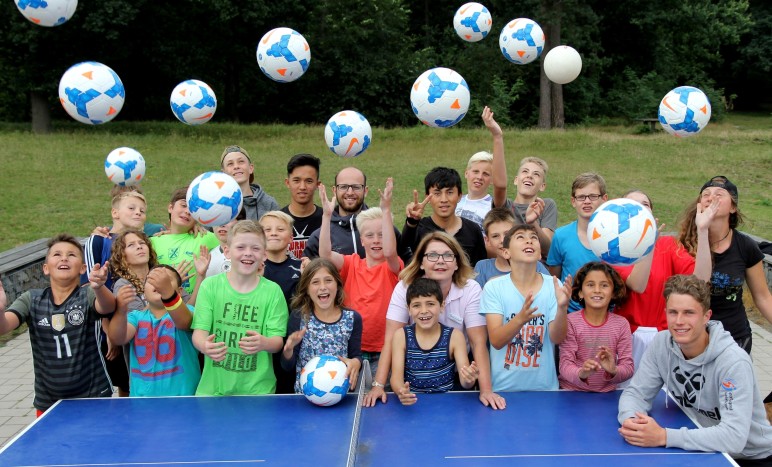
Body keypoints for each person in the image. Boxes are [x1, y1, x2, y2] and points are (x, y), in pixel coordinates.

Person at [618, 274, 772, 465]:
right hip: (699, 448)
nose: (679, 321)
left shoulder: (733, 362)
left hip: (749, 456)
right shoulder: (661, 344)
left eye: (689, 313)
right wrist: (631, 420)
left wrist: (664, 437)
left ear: (706, 316)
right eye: (673, 312)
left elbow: (734, 437)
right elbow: (636, 393)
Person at [365, 232, 505, 410]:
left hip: (453, 374)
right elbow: (391, 339)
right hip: (413, 376)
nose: (440, 261)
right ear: (421, 263)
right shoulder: (405, 287)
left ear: (456, 263)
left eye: (448, 255)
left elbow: (478, 343)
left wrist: (485, 390)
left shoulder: (471, 289)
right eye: (432, 255)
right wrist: (378, 385)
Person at [0, 234, 116, 415]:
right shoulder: (31, 299)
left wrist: (99, 287)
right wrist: (0, 310)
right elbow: (3, 327)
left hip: (93, 396)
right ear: (46, 268)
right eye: (57, 254)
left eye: (71, 255)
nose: (64, 258)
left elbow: (107, 306)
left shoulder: (87, 295)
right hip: (48, 401)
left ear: (83, 268)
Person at [614, 190, 712, 368]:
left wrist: (703, 230)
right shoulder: (614, 248)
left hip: (666, 334)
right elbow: (638, 284)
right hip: (628, 337)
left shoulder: (668, 244)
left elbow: (701, 280)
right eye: (632, 205)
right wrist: (648, 244)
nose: (640, 209)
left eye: (644, 205)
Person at [190, 220, 288, 395]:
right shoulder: (209, 286)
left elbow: (277, 342)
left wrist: (264, 343)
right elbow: (199, 334)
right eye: (241, 247)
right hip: (213, 391)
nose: (248, 253)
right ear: (227, 251)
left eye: (255, 248)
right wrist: (204, 346)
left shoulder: (273, 292)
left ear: (264, 254)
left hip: (258, 392)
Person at [318, 178, 402, 379]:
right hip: (353, 350)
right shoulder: (352, 263)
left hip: (385, 350)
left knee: (381, 401)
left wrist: (386, 211)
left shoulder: (394, 265)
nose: (376, 241)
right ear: (361, 239)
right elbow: (325, 255)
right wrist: (327, 216)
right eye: (370, 235)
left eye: (382, 235)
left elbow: (390, 252)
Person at [678, 175, 772, 353]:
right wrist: (702, 230)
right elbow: (696, 288)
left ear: (733, 207)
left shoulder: (746, 246)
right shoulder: (683, 245)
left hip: (735, 338)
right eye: (706, 194)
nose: (711, 197)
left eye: (720, 194)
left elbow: (763, 297)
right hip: (692, 339)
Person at [480, 225, 572, 391]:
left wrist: (562, 308)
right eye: (520, 237)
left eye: (534, 237)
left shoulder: (554, 285)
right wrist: (520, 319)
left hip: (545, 390)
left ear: (539, 253)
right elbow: (496, 340)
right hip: (502, 390)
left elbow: (557, 338)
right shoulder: (493, 287)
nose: (529, 240)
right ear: (506, 252)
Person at [107, 265, 201, 397]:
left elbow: (184, 322)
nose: (159, 283)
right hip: (142, 402)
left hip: (184, 400)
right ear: (144, 291)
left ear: (179, 291)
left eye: (166, 280)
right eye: (152, 280)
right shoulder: (135, 317)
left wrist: (168, 293)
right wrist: (120, 311)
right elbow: (117, 338)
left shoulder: (188, 311)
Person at [390, 278, 479, 405]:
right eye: (416, 305)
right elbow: (396, 378)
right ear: (408, 309)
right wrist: (401, 392)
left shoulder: (455, 336)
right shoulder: (401, 336)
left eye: (430, 304)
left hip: (447, 403)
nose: (424, 310)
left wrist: (469, 379)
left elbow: (465, 382)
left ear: (442, 306)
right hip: (413, 403)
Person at [280, 258, 362, 393]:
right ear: (306, 289)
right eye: (315, 282)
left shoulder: (353, 318)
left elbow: (356, 355)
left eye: (328, 280)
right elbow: (287, 367)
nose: (322, 287)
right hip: (305, 398)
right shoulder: (299, 316)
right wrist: (288, 349)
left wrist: (356, 363)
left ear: (337, 284)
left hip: (339, 396)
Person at [558, 262, 633, 392]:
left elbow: (628, 367)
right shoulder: (570, 321)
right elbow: (565, 364)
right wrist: (581, 373)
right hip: (571, 393)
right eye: (590, 285)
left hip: (608, 395)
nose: (597, 290)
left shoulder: (622, 324)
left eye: (604, 285)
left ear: (614, 292)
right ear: (580, 292)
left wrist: (613, 370)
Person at [546, 172, 607, 312]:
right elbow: (555, 276)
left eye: (593, 196)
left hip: (607, 314)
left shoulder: (615, 237)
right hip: (570, 314)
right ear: (573, 201)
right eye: (581, 197)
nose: (587, 201)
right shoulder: (561, 236)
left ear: (604, 199)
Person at [402, 167, 487, 266]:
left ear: (459, 196)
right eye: (437, 193)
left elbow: (479, 267)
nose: (444, 199)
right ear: (427, 197)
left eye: (450, 192)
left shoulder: (473, 230)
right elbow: (402, 249)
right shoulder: (419, 228)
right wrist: (412, 221)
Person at [258, 210, 302, 394]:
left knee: (286, 389)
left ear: (291, 237)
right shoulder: (251, 268)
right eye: (267, 229)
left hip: (289, 341)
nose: (273, 232)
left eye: (280, 229)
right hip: (260, 340)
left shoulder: (301, 268)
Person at [151, 187, 220, 295]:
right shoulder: (152, 242)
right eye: (183, 205)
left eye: (193, 209)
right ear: (170, 207)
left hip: (194, 306)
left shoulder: (205, 237)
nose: (188, 211)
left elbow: (233, 243)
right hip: (161, 306)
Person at [492, 153, 557, 259]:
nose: (529, 176)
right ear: (516, 180)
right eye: (525, 171)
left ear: (542, 186)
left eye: (536, 174)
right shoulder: (504, 206)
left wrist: (532, 223)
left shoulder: (545, 205)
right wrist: (498, 138)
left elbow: (547, 248)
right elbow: (499, 186)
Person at [454, 106, 506, 231]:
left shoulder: (494, 205)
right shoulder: (454, 201)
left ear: (493, 179)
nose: (479, 177)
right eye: (475, 171)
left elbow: (501, 186)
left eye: (486, 174)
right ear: (466, 173)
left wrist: (497, 136)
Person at [475, 208, 548, 288]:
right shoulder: (482, 267)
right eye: (495, 236)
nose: (502, 240)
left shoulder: (535, 265)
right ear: (487, 240)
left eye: (507, 234)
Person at [220, 145, 280, 221]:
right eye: (230, 164)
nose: (236, 166)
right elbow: (206, 231)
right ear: (223, 173)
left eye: (241, 161)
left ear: (251, 168)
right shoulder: (217, 204)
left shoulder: (269, 204)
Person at [280, 153, 323, 258]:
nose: (302, 187)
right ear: (287, 183)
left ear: (317, 184)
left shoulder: (327, 219)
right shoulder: (277, 220)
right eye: (296, 180)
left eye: (309, 181)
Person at [205, 208, 247, 279]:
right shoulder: (208, 258)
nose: (221, 225)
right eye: (217, 220)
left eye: (226, 219)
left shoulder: (252, 254)